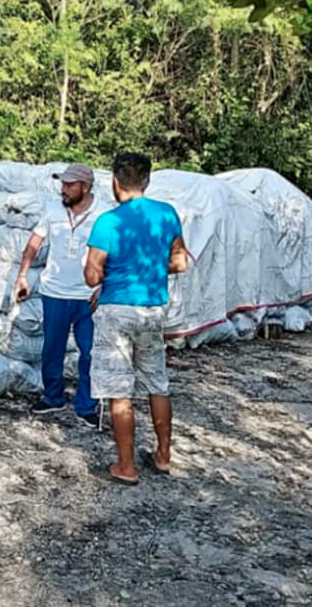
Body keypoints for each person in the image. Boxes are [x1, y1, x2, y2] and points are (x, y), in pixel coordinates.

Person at [84, 152, 188, 485]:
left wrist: (108, 276)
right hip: (153, 309)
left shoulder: (108, 222)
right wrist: (150, 270)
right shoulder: (167, 214)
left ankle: (126, 467)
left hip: (116, 310)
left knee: (119, 391)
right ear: (146, 180)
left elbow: (91, 275)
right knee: (158, 383)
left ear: (115, 182)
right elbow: (180, 263)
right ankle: (163, 455)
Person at [13, 163, 104, 428]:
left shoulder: (104, 214)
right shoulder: (53, 209)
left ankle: (87, 405)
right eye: (63, 184)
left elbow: (115, 252)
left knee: (89, 352)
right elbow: (34, 243)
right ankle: (53, 396)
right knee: (52, 347)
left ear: (85, 187)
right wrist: (22, 275)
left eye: (69, 185)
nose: (63, 189)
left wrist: (104, 285)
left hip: (88, 296)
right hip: (54, 291)